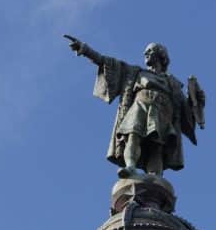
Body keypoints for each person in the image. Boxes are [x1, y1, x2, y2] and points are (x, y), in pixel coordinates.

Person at [65, 35, 206, 178]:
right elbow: (108, 63)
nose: (146, 54)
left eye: (149, 51)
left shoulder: (173, 84)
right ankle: (130, 166)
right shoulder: (136, 73)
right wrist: (86, 50)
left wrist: (197, 101)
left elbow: (186, 110)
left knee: (156, 146)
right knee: (133, 136)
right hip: (140, 106)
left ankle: (155, 176)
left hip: (163, 112)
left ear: (160, 55)